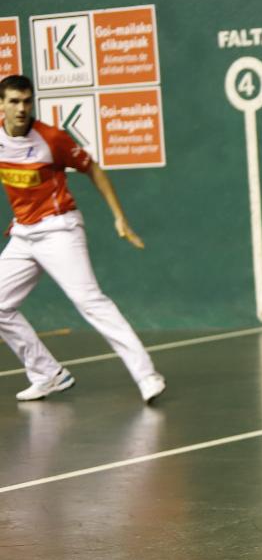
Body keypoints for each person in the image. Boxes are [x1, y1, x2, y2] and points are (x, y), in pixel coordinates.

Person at [0, 74, 165, 403]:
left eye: (27, 101)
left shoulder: (51, 138)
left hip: (60, 230)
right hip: (24, 233)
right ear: (1, 105)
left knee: (91, 302)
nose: (22, 108)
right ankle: (48, 374)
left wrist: (119, 217)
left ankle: (147, 375)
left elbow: (93, 169)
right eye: (14, 101)